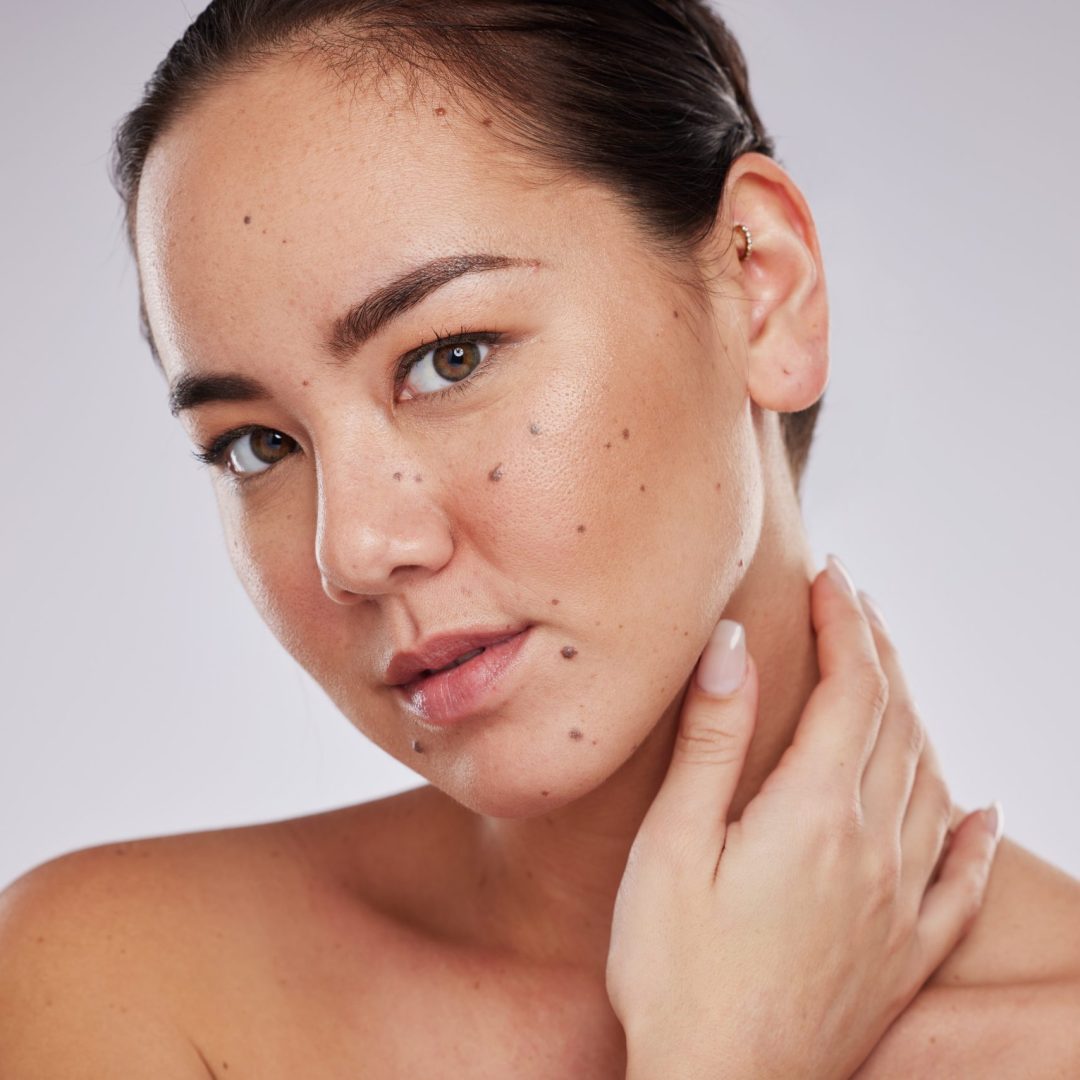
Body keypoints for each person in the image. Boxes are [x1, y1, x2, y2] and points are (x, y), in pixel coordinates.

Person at [2, 1, 1078, 1076]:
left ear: (762, 291)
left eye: (451, 357)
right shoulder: (119, 987)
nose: (357, 548)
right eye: (256, 446)